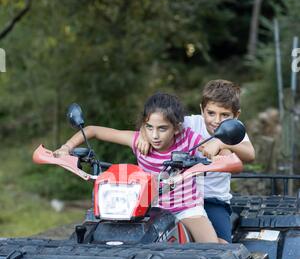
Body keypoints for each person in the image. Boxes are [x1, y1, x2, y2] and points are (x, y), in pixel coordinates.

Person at [54, 92, 219, 243]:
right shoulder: (138, 140)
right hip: (147, 210)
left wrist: (217, 150)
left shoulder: (189, 140)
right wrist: (66, 148)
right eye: (149, 127)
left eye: (162, 129)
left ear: (176, 128)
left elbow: (223, 152)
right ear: (143, 125)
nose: (154, 135)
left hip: (186, 209)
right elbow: (92, 131)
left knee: (212, 250)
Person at [137, 80, 255, 243]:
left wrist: (221, 143)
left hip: (212, 198)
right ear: (202, 109)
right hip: (176, 196)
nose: (217, 120)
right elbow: (159, 123)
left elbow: (250, 154)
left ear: (236, 116)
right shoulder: (190, 123)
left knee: (220, 247)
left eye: (225, 115)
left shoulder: (233, 130)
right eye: (211, 113)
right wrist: (143, 134)